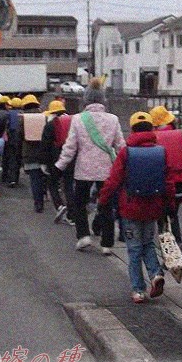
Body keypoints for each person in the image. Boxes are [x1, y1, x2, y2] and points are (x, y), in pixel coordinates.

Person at [97, 112, 167, 304]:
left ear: (132, 129)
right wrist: (167, 205)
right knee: (148, 243)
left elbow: (114, 180)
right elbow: (167, 181)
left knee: (134, 249)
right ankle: (155, 274)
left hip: (130, 208)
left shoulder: (126, 153)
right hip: (153, 207)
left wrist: (103, 199)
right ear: (151, 129)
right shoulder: (160, 152)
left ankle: (138, 290)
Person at [55, 78, 125, 253]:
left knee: (80, 204)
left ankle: (83, 236)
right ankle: (107, 244)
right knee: (107, 206)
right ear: (103, 100)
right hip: (106, 170)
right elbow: (121, 146)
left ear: (85, 100)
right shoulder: (113, 119)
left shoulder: (78, 119)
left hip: (83, 170)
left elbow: (70, 148)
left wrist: (59, 166)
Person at [149, 105, 182, 247]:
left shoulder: (153, 138)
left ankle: (169, 250)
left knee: (161, 218)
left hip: (160, 183)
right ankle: (178, 244)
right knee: (173, 215)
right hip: (179, 184)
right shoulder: (178, 137)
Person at [40, 100, 74, 226]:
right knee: (69, 185)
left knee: (52, 183)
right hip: (71, 158)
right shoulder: (73, 122)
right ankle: (72, 214)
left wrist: (43, 162)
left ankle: (59, 206)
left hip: (54, 159)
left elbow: (45, 145)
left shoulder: (50, 125)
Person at [16, 94, 47, 213]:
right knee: (44, 177)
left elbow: (19, 137)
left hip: (29, 153)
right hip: (44, 152)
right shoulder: (44, 117)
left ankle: (38, 204)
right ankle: (45, 196)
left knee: (35, 180)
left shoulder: (23, 119)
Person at [2, 97, 23, 187]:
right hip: (21, 140)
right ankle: (16, 178)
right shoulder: (23, 114)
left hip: (11, 139)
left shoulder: (8, 114)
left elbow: (5, 126)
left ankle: (11, 178)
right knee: (18, 159)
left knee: (11, 158)